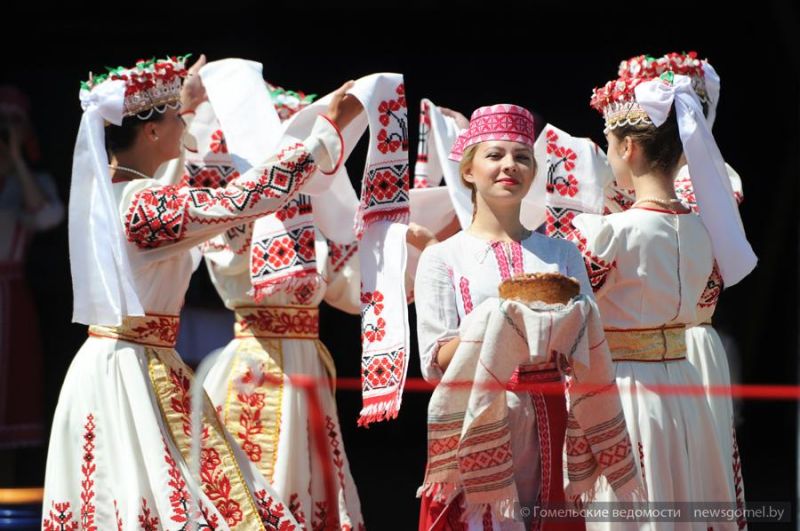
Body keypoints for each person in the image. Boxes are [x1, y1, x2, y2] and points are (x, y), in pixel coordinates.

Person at [42, 54, 362, 530]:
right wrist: (323, 135)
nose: (185, 126)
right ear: (151, 131)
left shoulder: (117, 194)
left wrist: (187, 103)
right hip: (130, 373)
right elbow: (237, 202)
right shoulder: (141, 207)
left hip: (131, 362)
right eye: (176, 117)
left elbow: (181, 196)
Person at [569, 68, 756, 529]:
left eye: (609, 144)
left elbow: (571, 310)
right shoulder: (702, 233)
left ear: (628, 148)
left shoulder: (608, 234)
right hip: (685, 390)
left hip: (629, 389)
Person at [187, 81, 365, 529]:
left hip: (308, 362)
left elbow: (350, 289)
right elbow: (230, 260)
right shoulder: (234, 207)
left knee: (312, 483)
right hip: (257, 359)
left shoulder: (314, 217)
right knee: (256, 486)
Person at [414, 104, 593, 530]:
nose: (509, 165)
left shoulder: (562, 253)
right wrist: (497, 322)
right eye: (494, 155)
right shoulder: (443, 257)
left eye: (522, 157)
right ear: (468, 170)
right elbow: (435, 359)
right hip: (476, 412)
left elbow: (589, 339)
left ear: (533, 172)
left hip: (553, 413)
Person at [0, 85, 64, 476]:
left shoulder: (34, 182)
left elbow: (45, 216)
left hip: (12, 294)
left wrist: (16, 161)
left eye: (13, 123)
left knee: (13, 386)